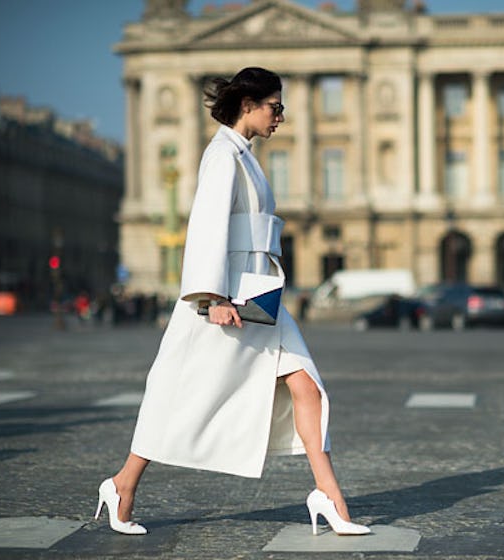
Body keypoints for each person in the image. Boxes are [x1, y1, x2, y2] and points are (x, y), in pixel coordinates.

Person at [94, 67, 370, 537]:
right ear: (249, 105)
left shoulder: (245, 155)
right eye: (275, 107)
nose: (281, 117)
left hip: (261, 294)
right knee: (180, 397)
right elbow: (207, 226)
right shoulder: (223, 154)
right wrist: (211, 296)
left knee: (308, 388)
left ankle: (329, 497)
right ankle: (122, 484)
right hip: (229, 298)